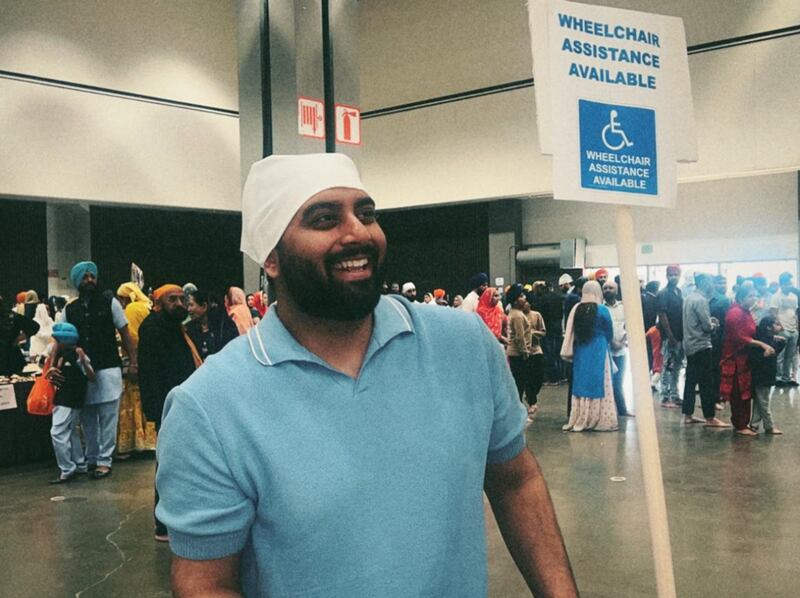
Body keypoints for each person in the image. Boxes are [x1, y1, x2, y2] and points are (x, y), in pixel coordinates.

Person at [156, 153, 577, 597]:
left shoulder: (463, 345)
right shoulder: (209, 406)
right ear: (272, 257)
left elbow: (516, 481)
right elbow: (205, 583)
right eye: (324, 219)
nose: (358, 231)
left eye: (366, 213)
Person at [139, 284, 203, 542]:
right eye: (172, 300)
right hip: (168, 406)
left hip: (181, 403)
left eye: (181, 299)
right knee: (168, 463)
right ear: (158, 304)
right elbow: (150, 375)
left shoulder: (174, 327)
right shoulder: (153, 330)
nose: (179, 304)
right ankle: (163, 524)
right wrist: (158, 411)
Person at [65, 261, 137, 480]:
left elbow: (126, 335)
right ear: (77, 281)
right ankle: (93, 457)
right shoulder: (70, 309)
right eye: (85, 277)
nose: (90, 280)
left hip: (108, 367)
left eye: (92, 276)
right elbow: (63, 340)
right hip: (83, 371)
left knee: (108, 418)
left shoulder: (110, 303)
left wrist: (134, 362)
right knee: (87, 419)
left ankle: (105, 461)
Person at [561, 281, 618, 432]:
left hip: (581, 349)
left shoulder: (576, 309)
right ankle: (600, 418)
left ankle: (580, 417)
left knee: (582, 381)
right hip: (599, 349)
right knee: (600, 382)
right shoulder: (602, 309)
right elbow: (609, 332)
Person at [720, 283, 775, 436]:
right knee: (738, 393)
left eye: (755, 296)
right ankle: (740, 425)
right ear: (741, 297)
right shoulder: (735, 313)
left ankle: (743, 423)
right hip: (735, 358)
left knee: (744, 393)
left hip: (744, 358)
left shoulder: (746, 311)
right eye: (750, 296)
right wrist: (762, 344)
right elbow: (740, 337)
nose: (754, 299)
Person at [45, 322, 95, 484]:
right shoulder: (66, 354)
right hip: (71, 398)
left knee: (58, 432)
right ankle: (79, 464)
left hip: (68, 399)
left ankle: (67, 468)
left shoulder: (75, 355)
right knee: (70, 431)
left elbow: (91, 376)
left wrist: (83, 361)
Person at [681, 274, 729, 427]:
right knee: (706, 382)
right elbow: (707, 327)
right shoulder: (701, 300)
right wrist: (713, 324)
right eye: (711, 282)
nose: (713, 285)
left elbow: (694, 321)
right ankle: (710, 417)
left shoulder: (689, 298)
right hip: (701, 345)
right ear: (704, 283)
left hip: (690, 344)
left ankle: (688, 414)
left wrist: (708, 321)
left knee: (690, 381)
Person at [115, 282, 157, 455]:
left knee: (133, 402)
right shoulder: (146, 305)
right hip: (150, 359)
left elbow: (131, 337)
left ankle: (136, 442)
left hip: (136, 360)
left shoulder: (131, 309)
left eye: (121, 298)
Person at [749, 315, 785, 435]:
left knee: (760, 401)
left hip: (766, 375)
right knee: (764, 402)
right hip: (761, 376)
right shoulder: (761, 343)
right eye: (777, 324)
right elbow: (753, 359)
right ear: (769, 327)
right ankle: (769, 426)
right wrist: (763, 355)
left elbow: (776, 350)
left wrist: (779, 340)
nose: (780, 327)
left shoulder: (771, 340)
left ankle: (754, 425)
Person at [603, 280, 631, 417]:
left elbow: (628, 327)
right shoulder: (600, 308)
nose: (608, 290)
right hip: (605, 351)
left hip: (620, 351)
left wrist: (622, 342)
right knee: (606, 383)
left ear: (617, 291)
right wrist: (612, 341)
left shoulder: (624, 308)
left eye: (611, 288)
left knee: (619, 381)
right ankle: (606, 412)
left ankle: (622, 410)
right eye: (605, 288)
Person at [658, 265, 684, 408]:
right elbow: (662, 315)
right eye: (671, 274)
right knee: (668, 366)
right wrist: (670, 336)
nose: (673, 277)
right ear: (666, 276)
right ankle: (665, 396)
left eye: (676, 274)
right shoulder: (663, 294)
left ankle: (674, 394)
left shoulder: (679, 292)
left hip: (680, 335)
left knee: (677, 366)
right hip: (670, 337)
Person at [186, 290, 239, 360]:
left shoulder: (224, 326)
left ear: (204, 306)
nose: (188, 309)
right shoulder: (189, 329)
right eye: (188, 305)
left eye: (191, 305)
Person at [770, 272, 798, 386]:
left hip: (793, 329)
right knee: (780, 356)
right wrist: (780, 326)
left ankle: (787, 377)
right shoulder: (776, 296)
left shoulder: (794, 296)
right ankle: (778, 378)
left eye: (790, 283)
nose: (789, 286)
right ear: (781, 284)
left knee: (790, 356)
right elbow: (773, 313)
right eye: (786, 284)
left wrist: (797, 327)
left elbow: (795, 312)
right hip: (782, 329)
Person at [0, 294, 39, 376]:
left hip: (10, 357)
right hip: (12, 358)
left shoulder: (13, 316)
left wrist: (17, 339)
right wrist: (17, 338)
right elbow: (34, 326)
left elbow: (34, 326)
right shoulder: (14, 315)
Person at [709, 275, 731, 407]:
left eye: (724, 283)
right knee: (716, 369)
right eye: (719, 283)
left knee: (715, 368)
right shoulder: (724, 300)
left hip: (717, 338)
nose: (722, 286)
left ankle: (715, 396)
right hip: (718, 339)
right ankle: (715, 398)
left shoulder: (723, 299)